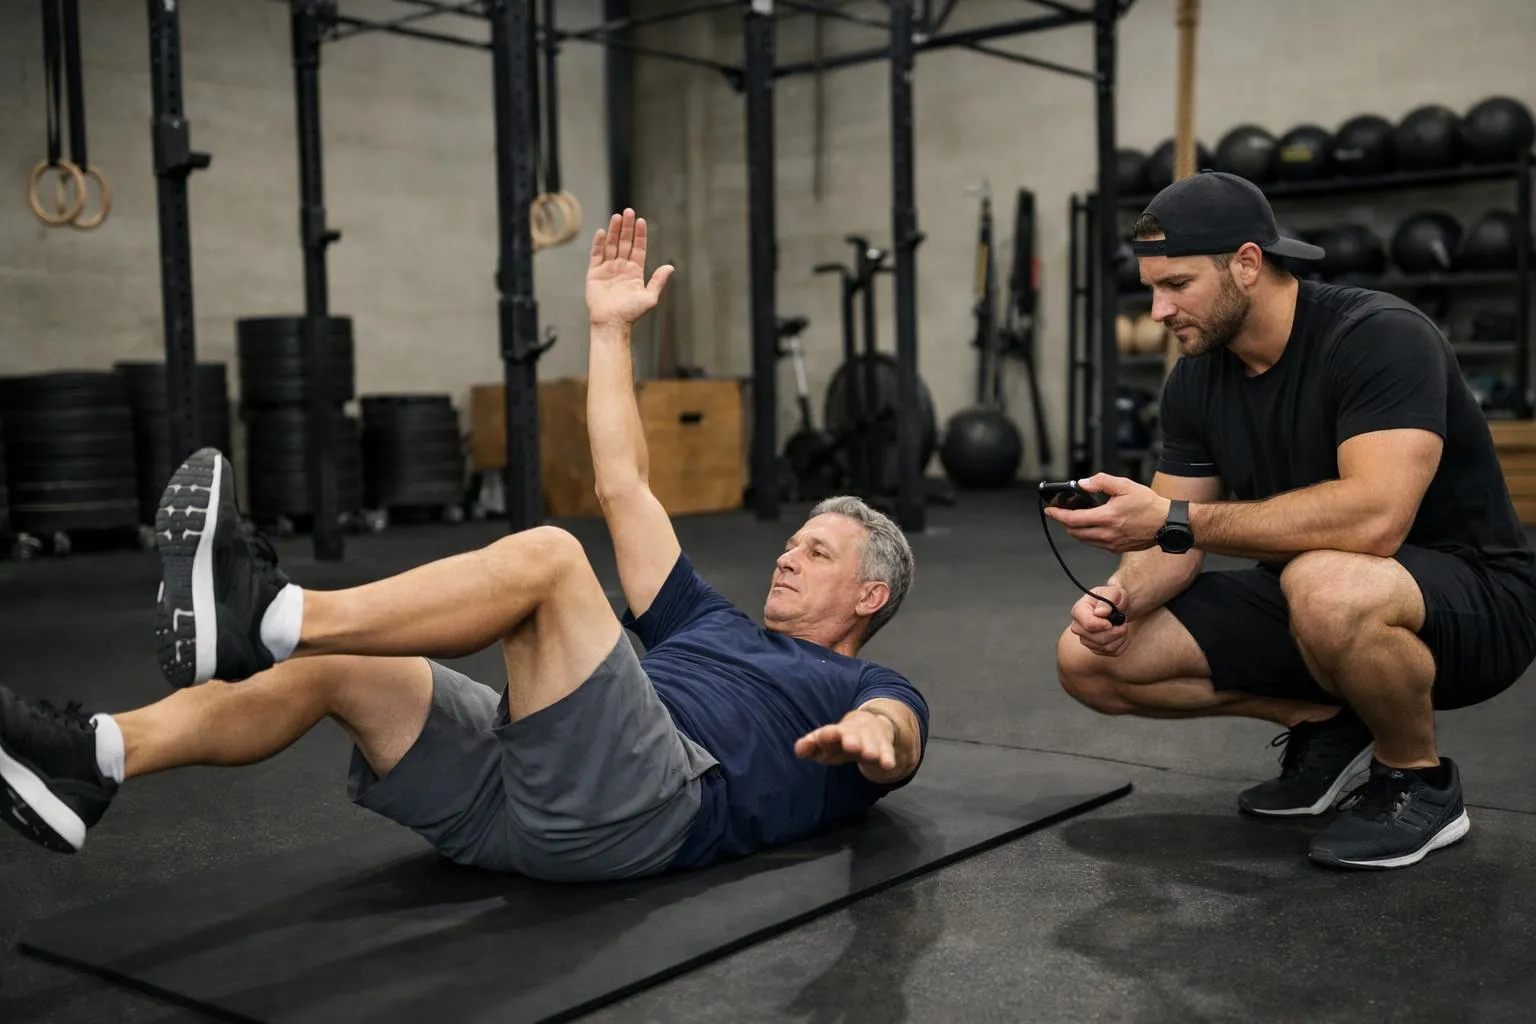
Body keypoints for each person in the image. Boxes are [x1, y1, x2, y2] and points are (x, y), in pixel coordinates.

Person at [0, 210, 929, 881]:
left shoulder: (865, 690)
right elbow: (624, 486)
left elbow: (897, 738)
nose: (787, 556)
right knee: (343, 668)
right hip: (516, 794)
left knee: (553, 561)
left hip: (643, 808)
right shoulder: (706, 621)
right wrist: (609, 331)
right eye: (794, 542)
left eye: (816, 552)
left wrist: (871, 744)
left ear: (869, 596)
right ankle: (96, 757)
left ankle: (273, 615)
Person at [1049, 171, 1536, 871]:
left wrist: (1175, 518)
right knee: (1089, 657)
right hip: (1313, 600)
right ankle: (1328, 723)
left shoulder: (1378, 336)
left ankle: (1418, 782)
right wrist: (1125, 593)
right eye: (1151, 287)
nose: (1157, 310)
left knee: (1326, 584)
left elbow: (1376, 520)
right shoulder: (1196, 377)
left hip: (1478, 600)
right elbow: (1173, 535)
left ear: (1247, 264)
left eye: (1177, 285)